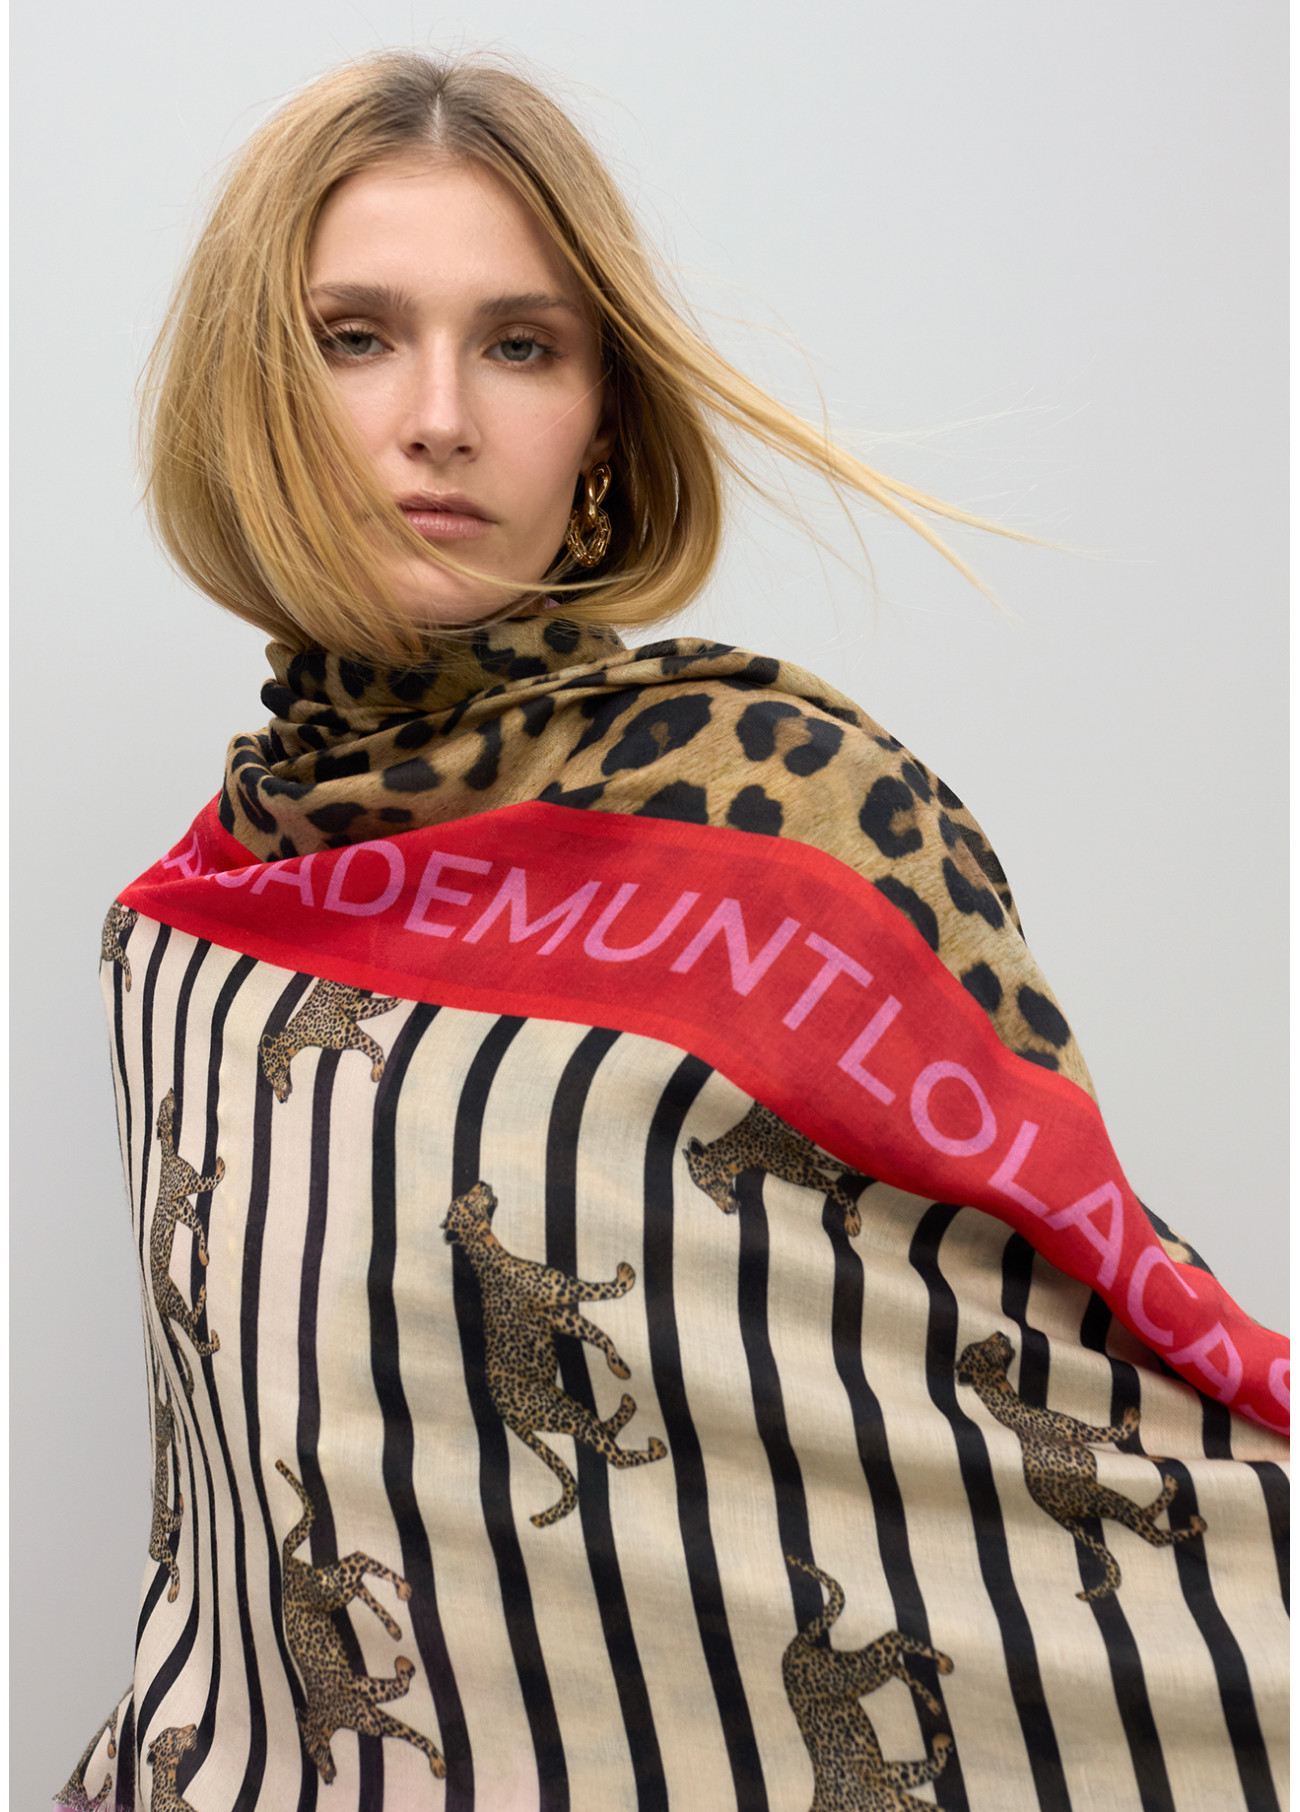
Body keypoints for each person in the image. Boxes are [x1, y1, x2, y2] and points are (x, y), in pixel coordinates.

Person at [58, 50, 1286, 1812]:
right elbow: (241, 1540)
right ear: (251, 394)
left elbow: (1065, 1348)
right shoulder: (183, 942)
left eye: (521, 345)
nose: (439, 417)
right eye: (355, 337)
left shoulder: (793, 820)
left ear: (604, 424)